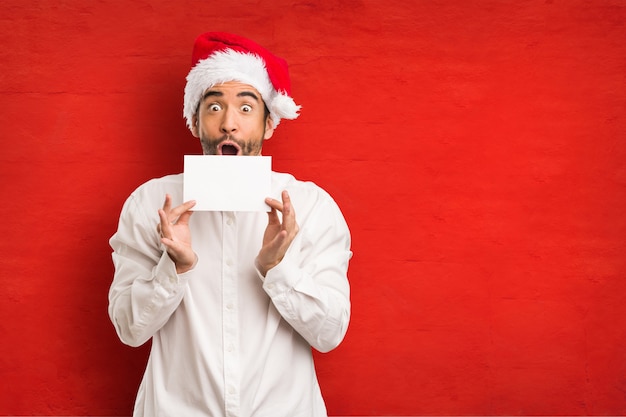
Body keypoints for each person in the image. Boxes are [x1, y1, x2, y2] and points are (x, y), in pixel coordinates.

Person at [107, 32, 352, 417]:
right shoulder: (151, 203)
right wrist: (174, 267)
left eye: (246, 108)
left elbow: (329, 333)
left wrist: (278, 267)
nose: (229, 124)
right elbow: (129, 329)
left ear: (270, 124)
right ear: (194, 122)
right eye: (215, 107)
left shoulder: (311, 206)